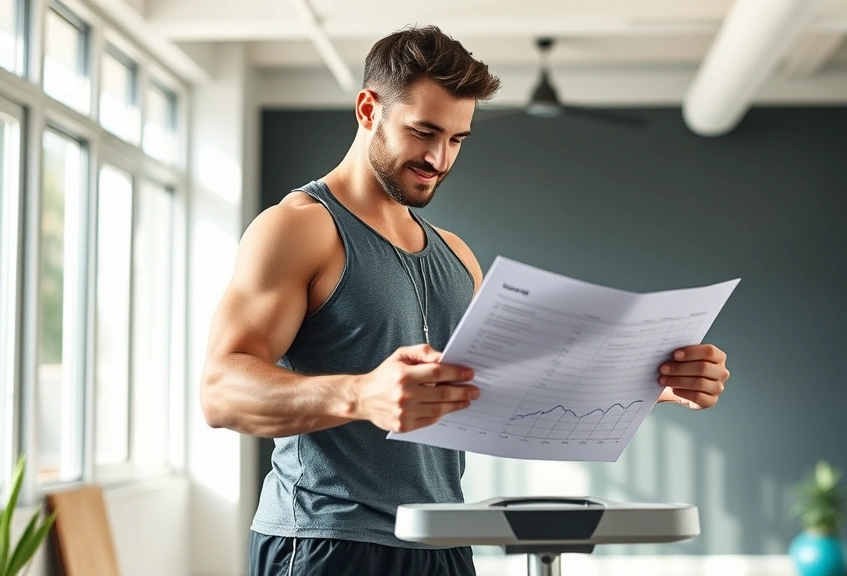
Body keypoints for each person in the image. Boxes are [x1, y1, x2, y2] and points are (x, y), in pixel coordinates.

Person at [200, 24, 731, 576]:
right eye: (423, 131)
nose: (439, 158)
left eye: (456, 139)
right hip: (328, 541)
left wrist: (649, 382)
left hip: (443, 539)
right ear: (367, 109)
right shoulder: (299, 228)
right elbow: (220, 391)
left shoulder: (456, 256)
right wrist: (360, 395)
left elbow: (493, 393)